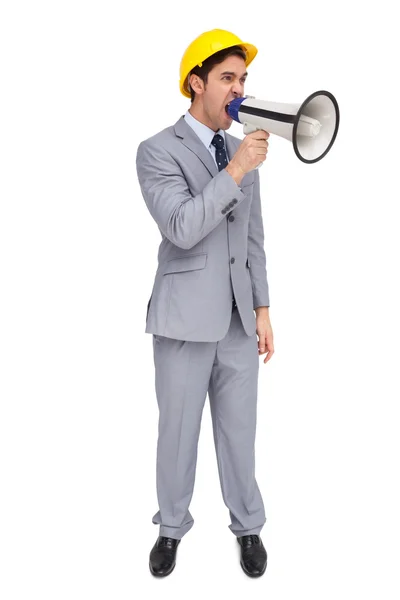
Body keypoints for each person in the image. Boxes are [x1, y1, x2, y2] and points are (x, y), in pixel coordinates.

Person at [136, 28, 274, 578]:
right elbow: (181, 227)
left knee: (241, 435)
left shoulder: (239, 150)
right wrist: (236, 169)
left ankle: (249, 528)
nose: (239, 90)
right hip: (184, 321)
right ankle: (170, 529)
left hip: (239, 321)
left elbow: (253, 236)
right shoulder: (156, 151)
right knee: (177, 435)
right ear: (196, 83)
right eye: (227, 79)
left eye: (243, 79)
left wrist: (263, 308)